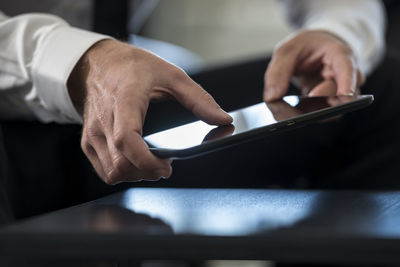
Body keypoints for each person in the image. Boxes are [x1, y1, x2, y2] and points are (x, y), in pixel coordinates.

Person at [0, 0, 385, 187]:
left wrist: (337, 31)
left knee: (383, 88)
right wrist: (83, 62)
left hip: (131, 103)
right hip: (14, 107)